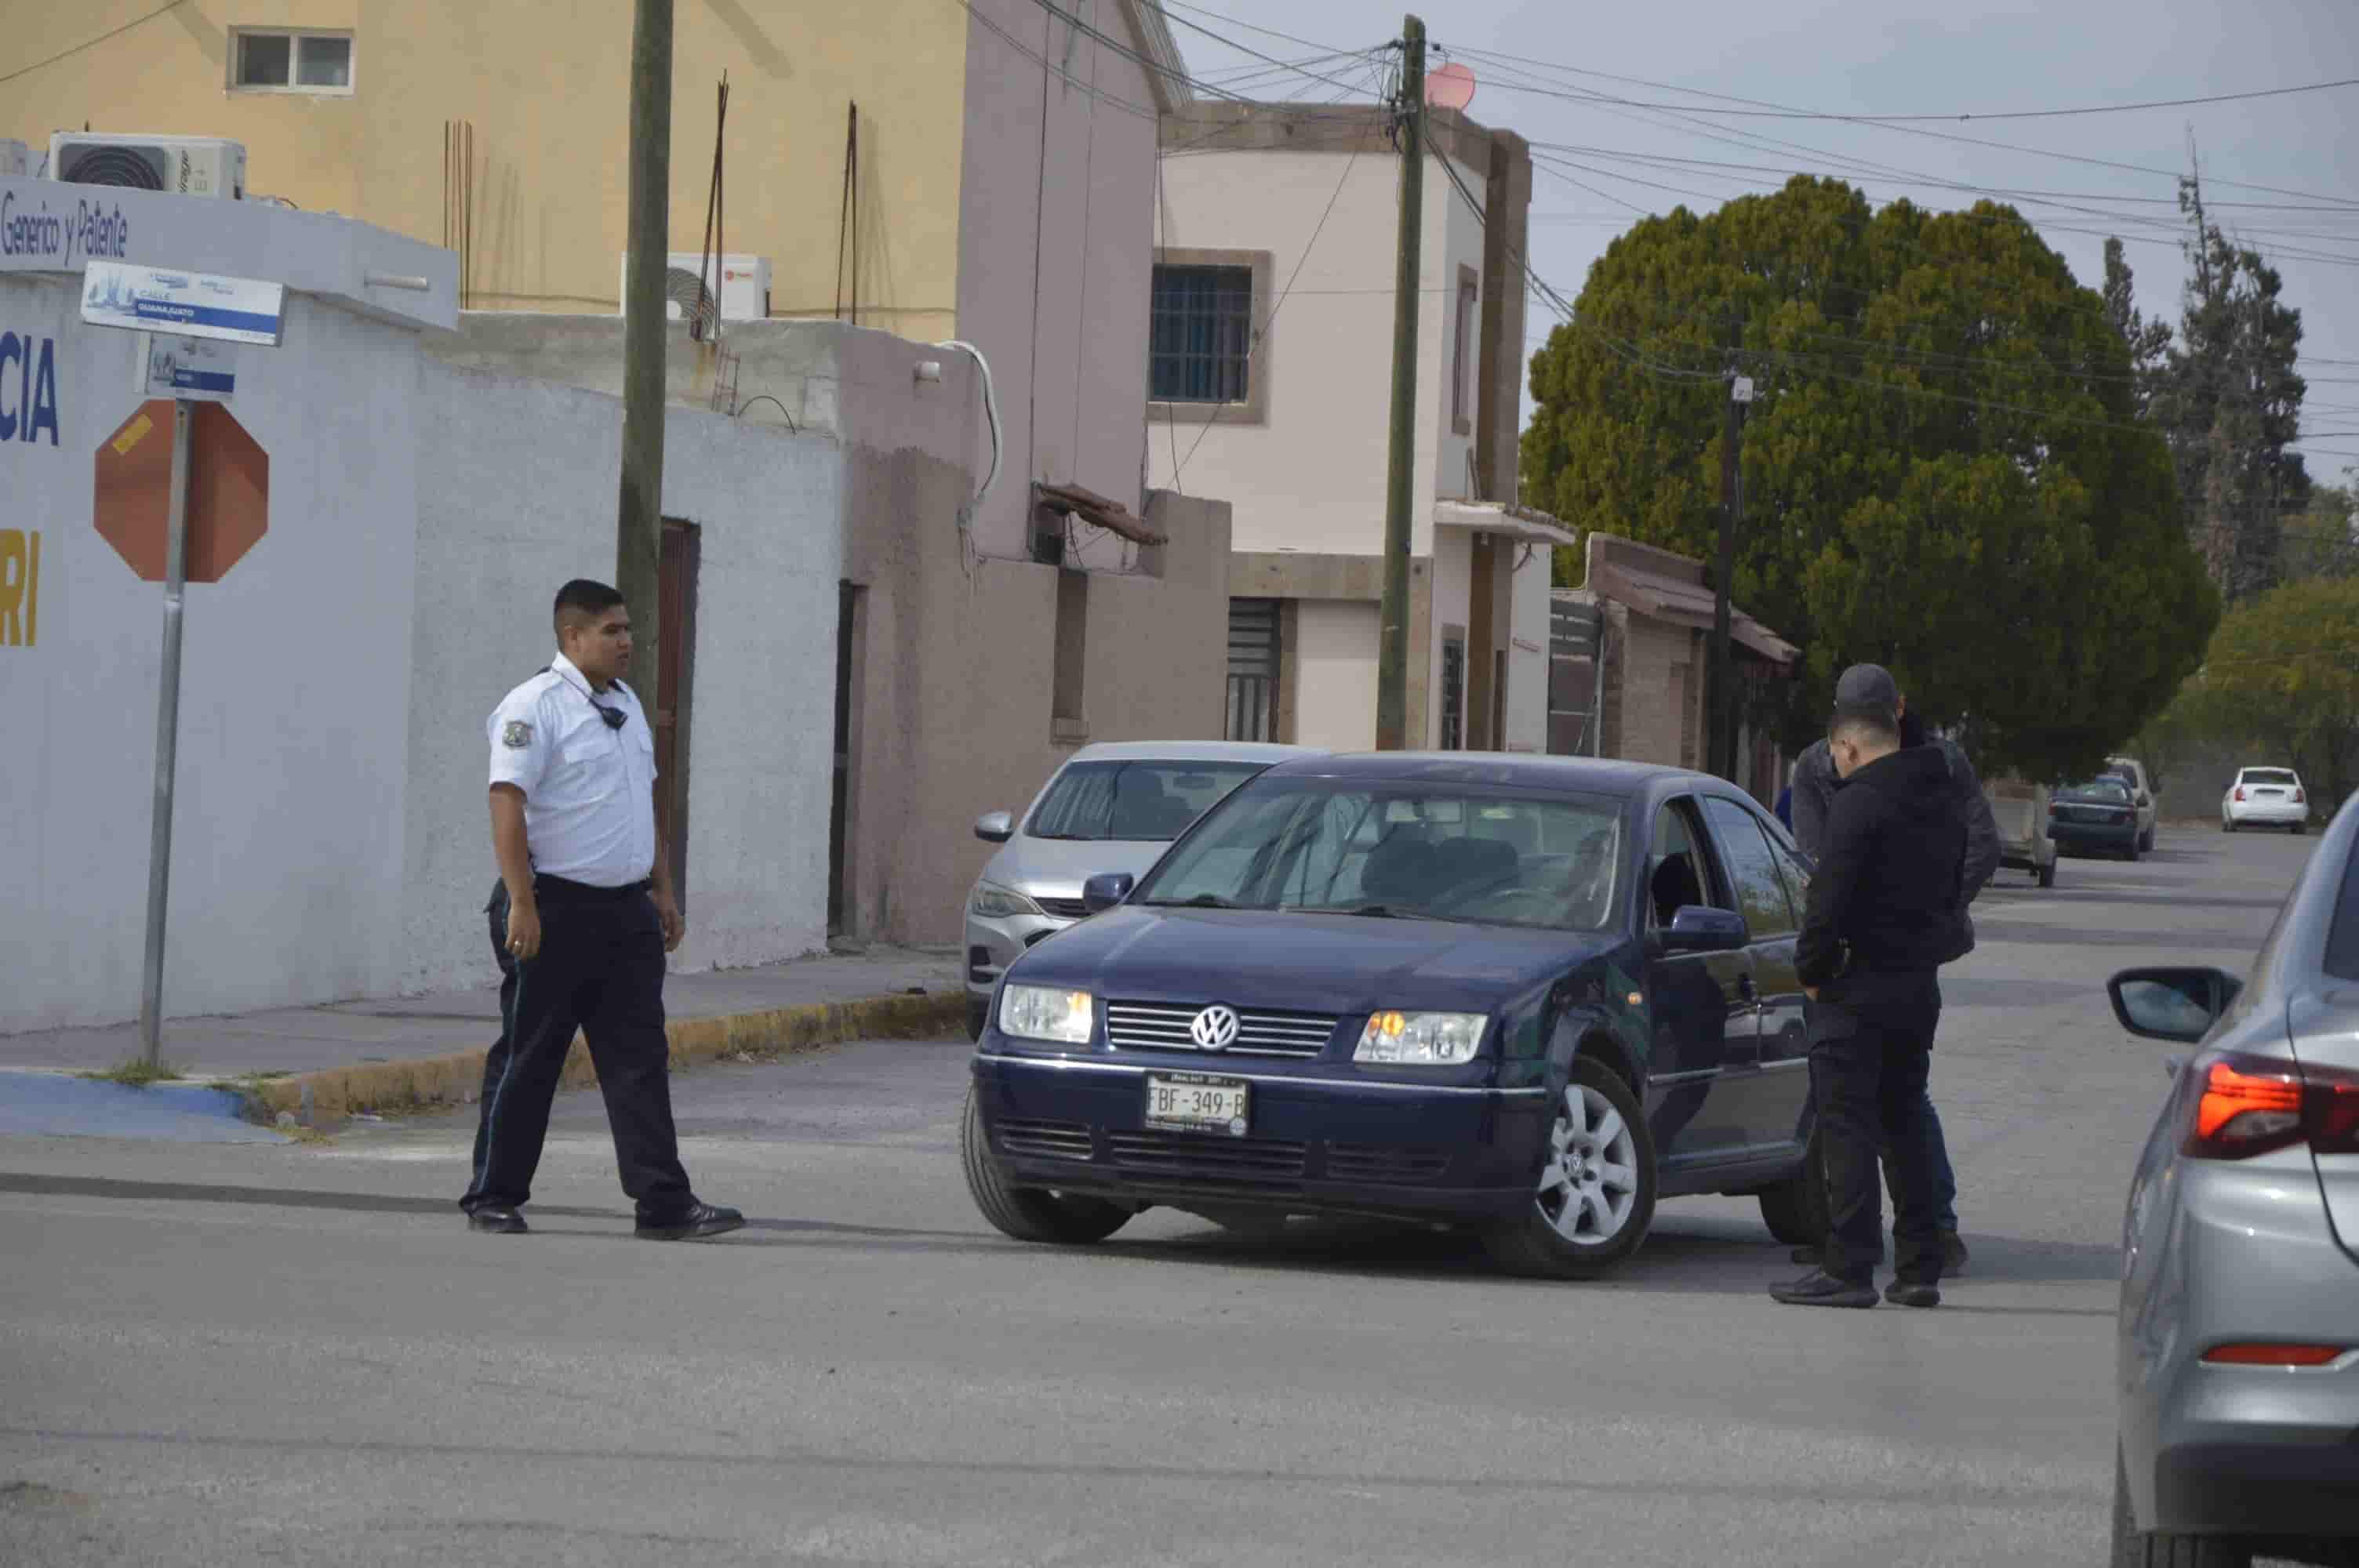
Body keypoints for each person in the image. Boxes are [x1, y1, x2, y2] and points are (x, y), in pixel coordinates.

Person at [460, 579, 743, 1242]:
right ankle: (494, 1196)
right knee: (530, 1059)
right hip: (554, 910)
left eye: (627, 629)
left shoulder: (626, 703)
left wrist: (663, 889)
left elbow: (644, 802)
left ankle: (663, 1203)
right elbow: (507, 805)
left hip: (626, 914)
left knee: (639, 1061)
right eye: (612, 630)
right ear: (572, 637)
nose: (627, 641)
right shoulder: (534, 707)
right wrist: (523, 903)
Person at [1787, 663, 1994, 1274]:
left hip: (1888, 961)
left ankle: (1895, 1247)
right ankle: (1895, 1252)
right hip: (1869, 957)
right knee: (1883, 1104)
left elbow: (1978, 845)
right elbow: (1816, 864)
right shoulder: (1816, 767)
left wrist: (1931, 914)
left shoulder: (1940, 766)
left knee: (1878, 1107)